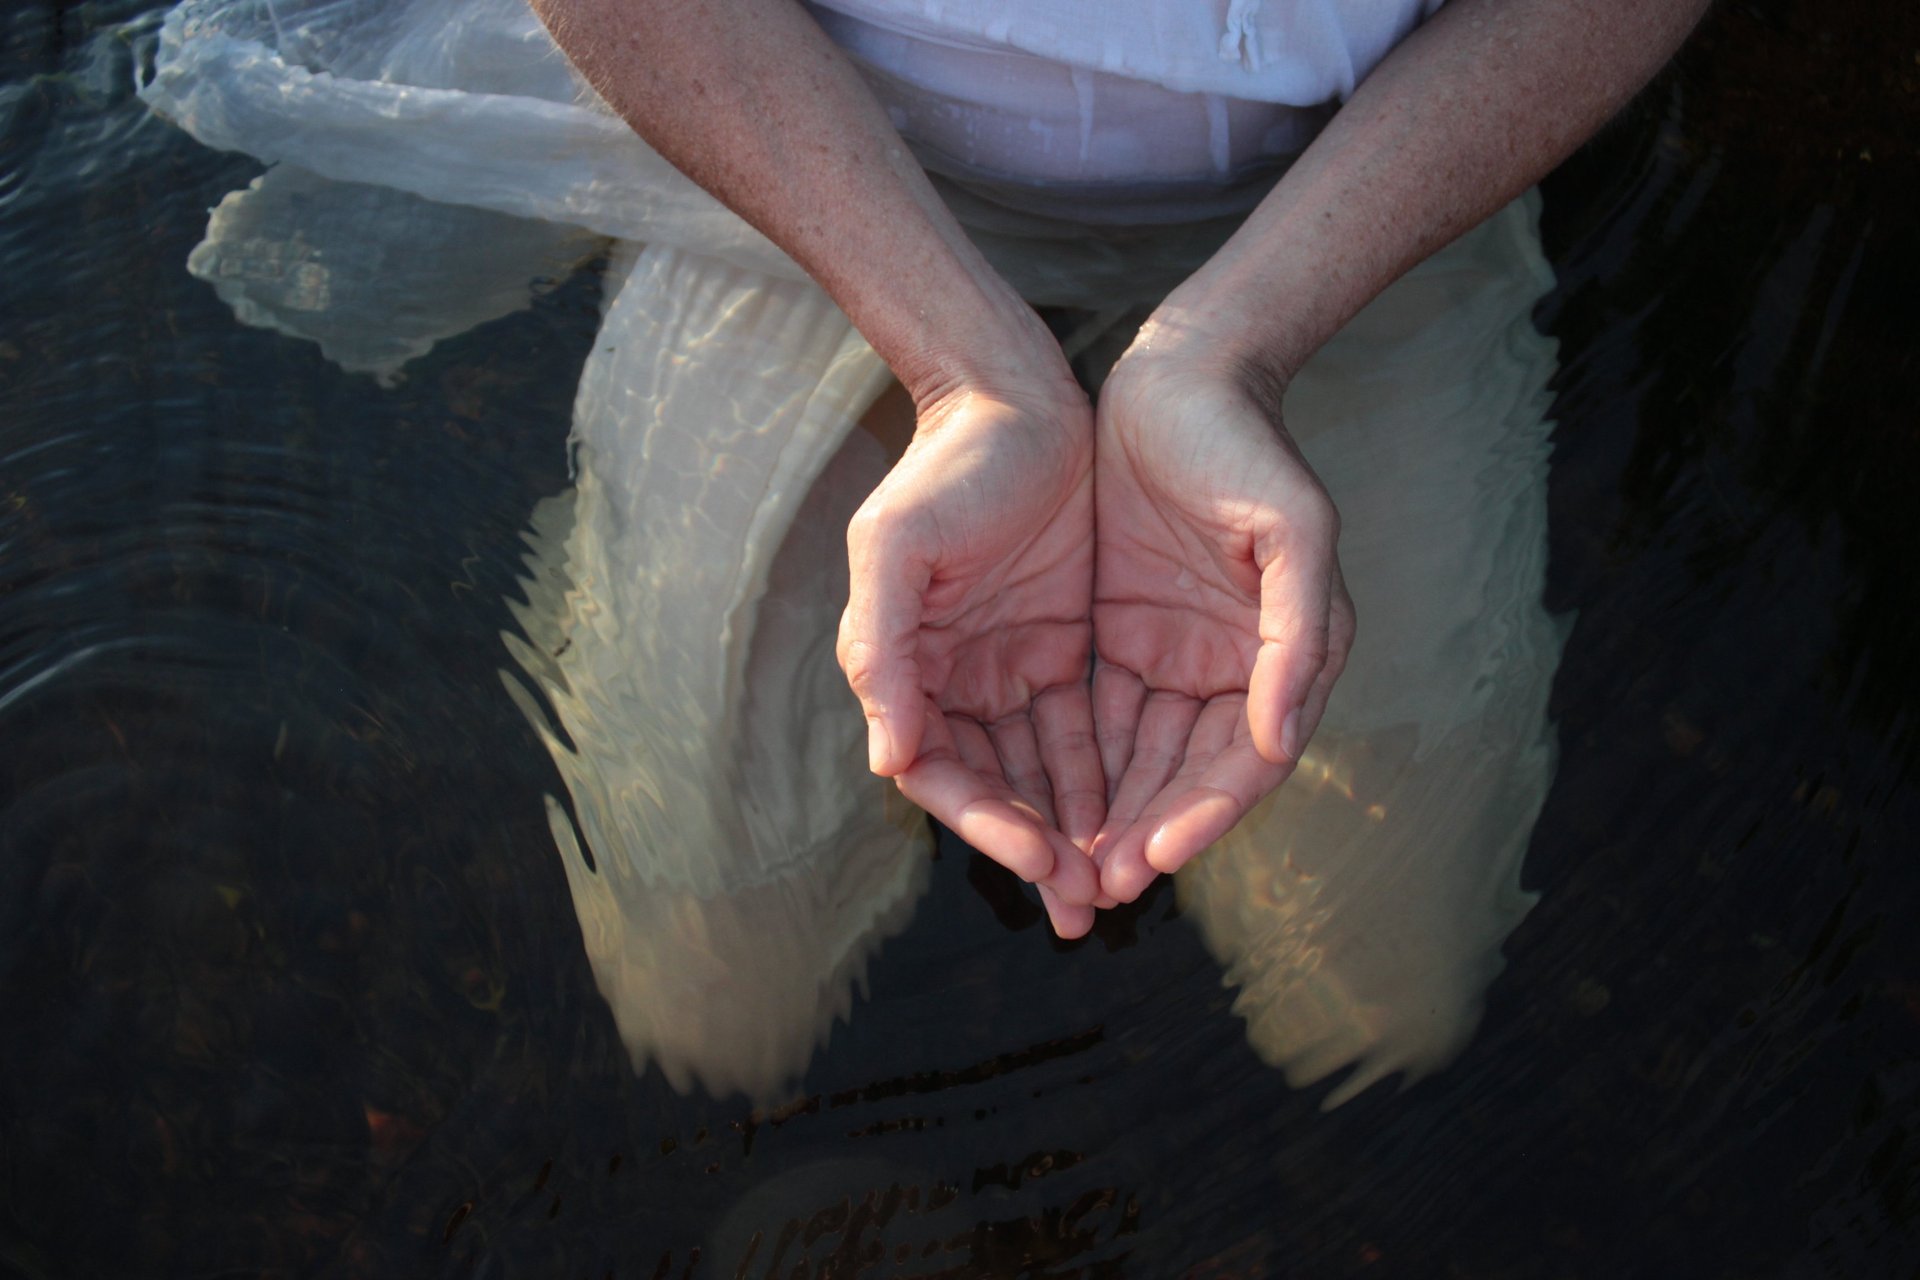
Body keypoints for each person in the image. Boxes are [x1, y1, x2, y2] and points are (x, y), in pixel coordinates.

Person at [526, 0, 1710, 936]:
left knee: (1384, 976)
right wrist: (964, 370)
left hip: (1374, 183)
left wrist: (1232, 352)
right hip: (813, 163)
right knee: (714, 982)